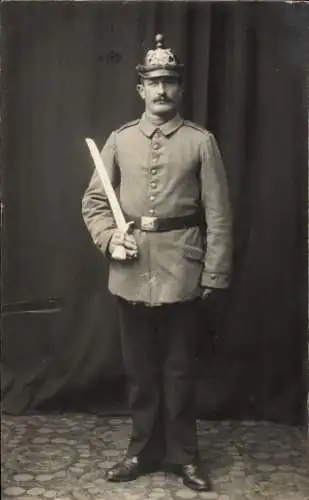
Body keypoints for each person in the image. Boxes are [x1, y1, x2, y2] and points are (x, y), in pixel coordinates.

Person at [82, 34, 232, 492]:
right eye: (153, 82)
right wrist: (110, 240)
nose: (162, 90)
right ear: (140, 89)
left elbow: (219, 214)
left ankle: (184, 455)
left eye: (170, 81)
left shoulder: (201, 142)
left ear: (180, 88)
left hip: (182, 271)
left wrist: (215, 271)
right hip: (131, 271)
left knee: (180, 370)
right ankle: (141, 451)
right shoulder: (119, 140)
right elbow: (94, 202)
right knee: (141, 371)